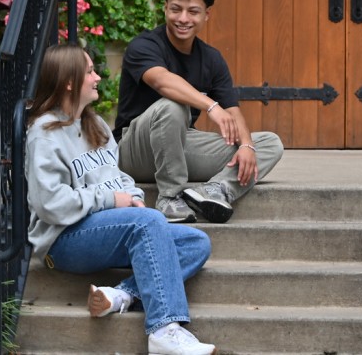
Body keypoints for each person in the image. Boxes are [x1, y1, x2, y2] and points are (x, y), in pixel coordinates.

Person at [25, 44, 218, 355]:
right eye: (90, 72)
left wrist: (133, 196)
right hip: (63, 240)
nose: (98, 77)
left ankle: (120, 295)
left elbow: (119, 178)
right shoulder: (44, 133)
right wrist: (111, 200)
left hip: (107, 229)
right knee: (149, 221)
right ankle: (164, 329)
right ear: (69, 81)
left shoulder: (96, 125)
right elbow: (49, 203)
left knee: (195, 243)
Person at [115, 0, 284, 224]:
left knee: (269, 143)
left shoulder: (211, 59)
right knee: (173, 106)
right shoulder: (144, 46)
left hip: (179, 148)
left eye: (193, 11)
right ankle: (170, 198)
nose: (183, 19)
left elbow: (233, 111)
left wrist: (246, 144)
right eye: (176, 9)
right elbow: (162, 81)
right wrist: (211, 106)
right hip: (135, 149)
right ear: (165, 9)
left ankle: (214, 191)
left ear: (206, 15)